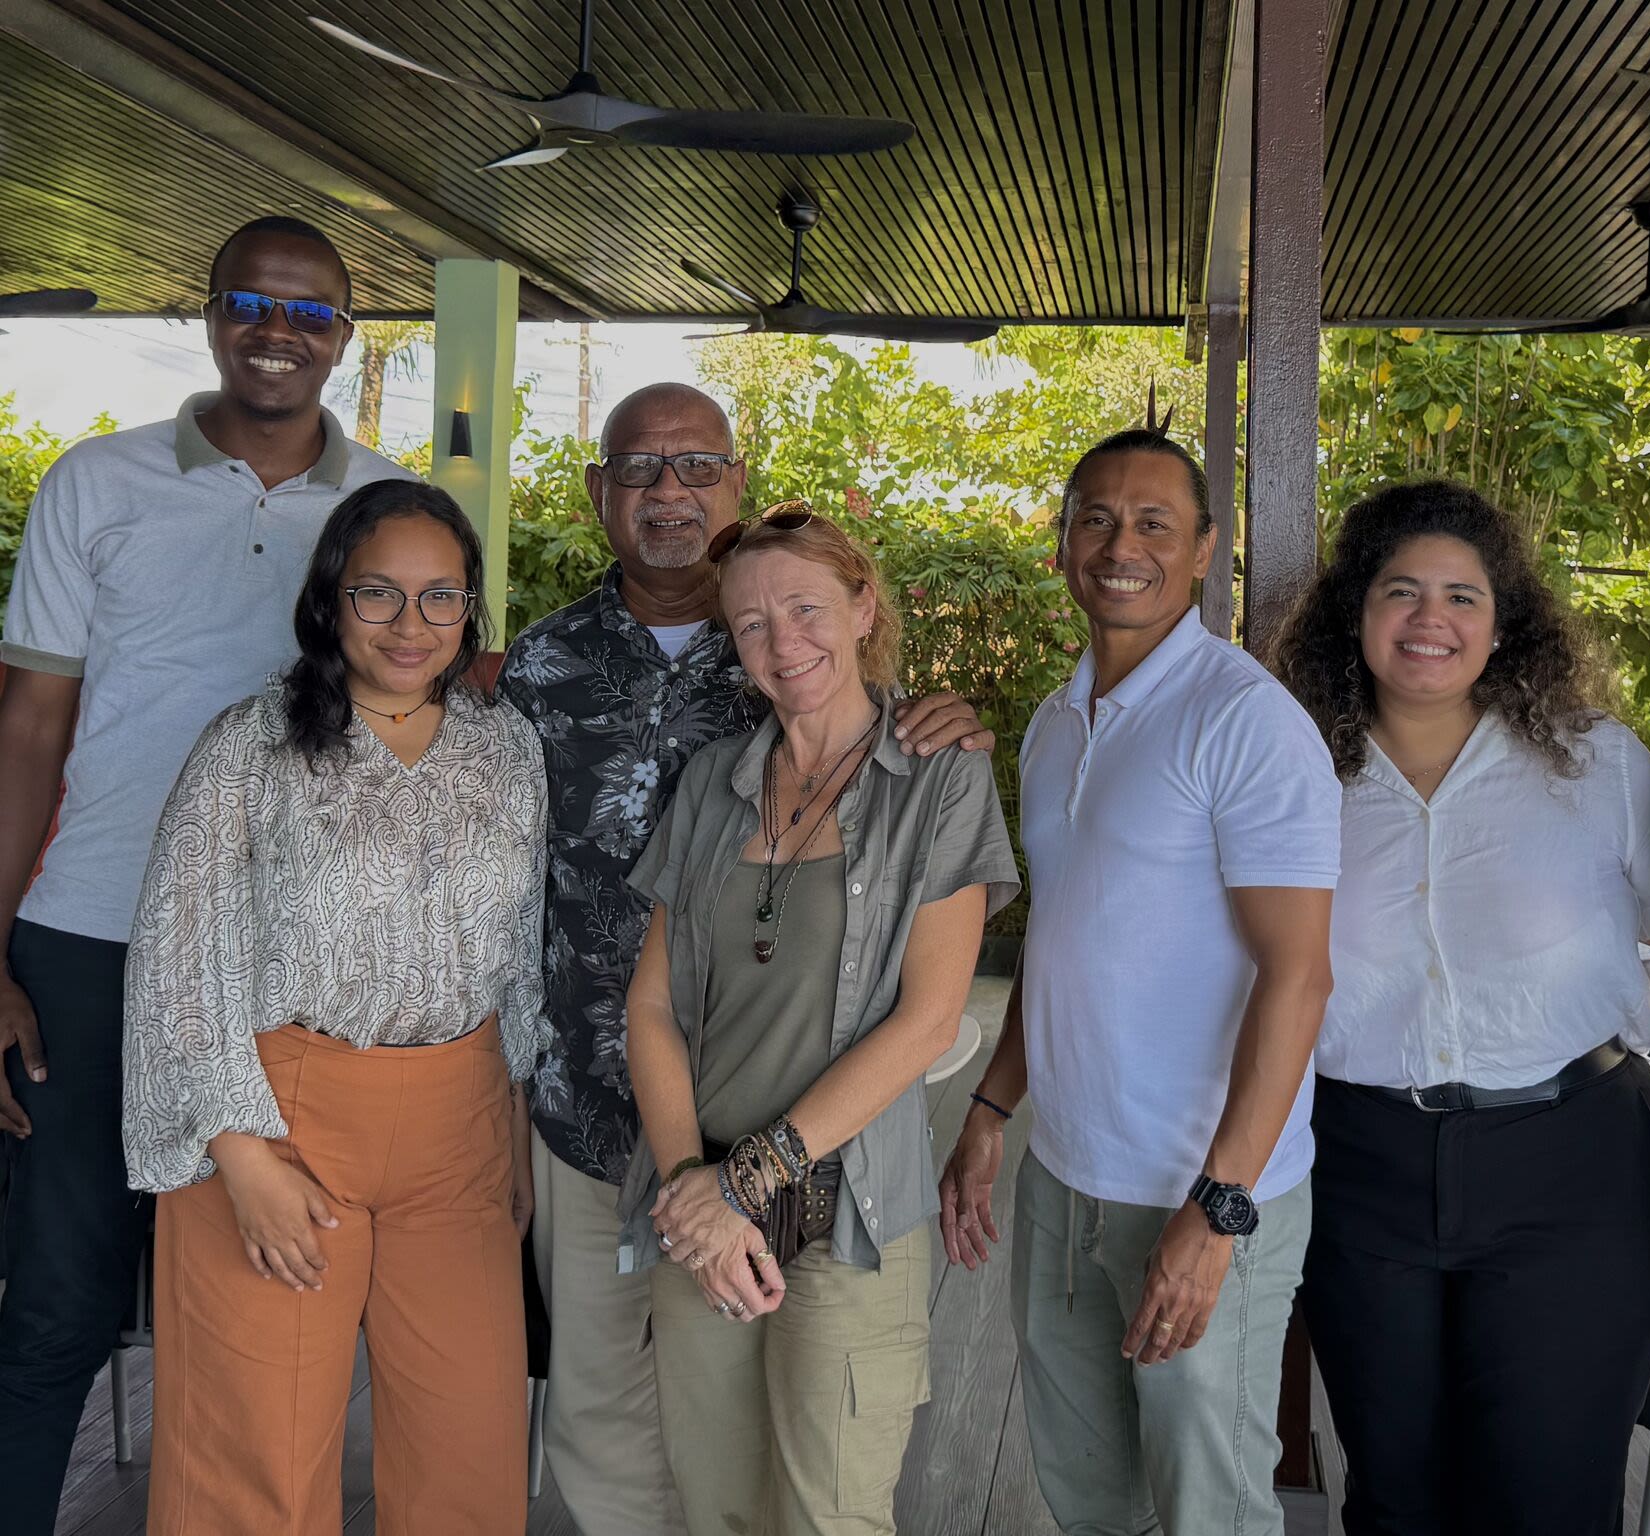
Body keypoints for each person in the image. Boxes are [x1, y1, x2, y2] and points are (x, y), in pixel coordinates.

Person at [496, 383, 992, 1534]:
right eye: (638, 467)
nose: (667, 489)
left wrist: (734, 1184)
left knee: (819, 1491)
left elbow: (924, 1009)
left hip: (809, 1164)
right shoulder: (545, 671)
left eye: (696, 465)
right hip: (596, 1115)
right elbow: (515, 904)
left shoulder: (904, 750)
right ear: (598, 491)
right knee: (618, 1425)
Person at [0, 215, 402, 1534]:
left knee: (251, 1297)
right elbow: (30, 730)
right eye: (250, 302)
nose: (278, 331)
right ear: (210, 313)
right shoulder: (95, 483)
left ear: (346, 336)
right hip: (93, 936)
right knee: (59, 1298)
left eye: (310, 311)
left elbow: (421, 733)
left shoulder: (385, 507)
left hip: (284, 956)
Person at [936, 427, 1340, 1535]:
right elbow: (1066, 941)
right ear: (1063, 542)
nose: (1122, 547)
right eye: (1097, 520)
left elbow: (1298, 979)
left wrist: (1218, 1211)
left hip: (1198, 1192)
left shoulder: (1244, 721)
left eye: (1154, 523)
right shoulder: (1057, 721)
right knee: (1088, 1500)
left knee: (1211, 1509)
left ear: (1204, 549)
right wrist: (989, 1111)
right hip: (1064, 1178)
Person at [121, 480, 544, 1533]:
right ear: (330, 599)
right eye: (378, 593)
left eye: (440, 596)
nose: (411, 624)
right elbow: (178, 950)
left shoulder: (507, 747)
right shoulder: (250, 746)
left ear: (470, 606)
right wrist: (239, 1153)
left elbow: (521, 945)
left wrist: (514, 1122)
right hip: (280, 1118)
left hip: (461, 1126)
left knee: (469, 1453)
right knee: (253, 1462)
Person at [1271, 480, 1650, 1536]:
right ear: (1354, 612)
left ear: (1503, 624)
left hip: (1574, 1168)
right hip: (1358, 1164)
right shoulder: (1290, 773)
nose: (1431, 618)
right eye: (1399, 590)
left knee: (1549, 1500)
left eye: (1462, 596)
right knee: (1394, 1498)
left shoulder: (1594, 763)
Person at [617, 505, 1017, 1534]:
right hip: (699, 1209)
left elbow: (928, 1022)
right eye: (751, 623)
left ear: (863, 606)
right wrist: (691, 1187)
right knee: (715, 1510)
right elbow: (651, 1006)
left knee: (826, 1517)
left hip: (846, 1217)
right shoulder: (713, 783)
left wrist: (744, 1185)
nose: (782, 641)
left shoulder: (940, 778)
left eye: (805, 608)